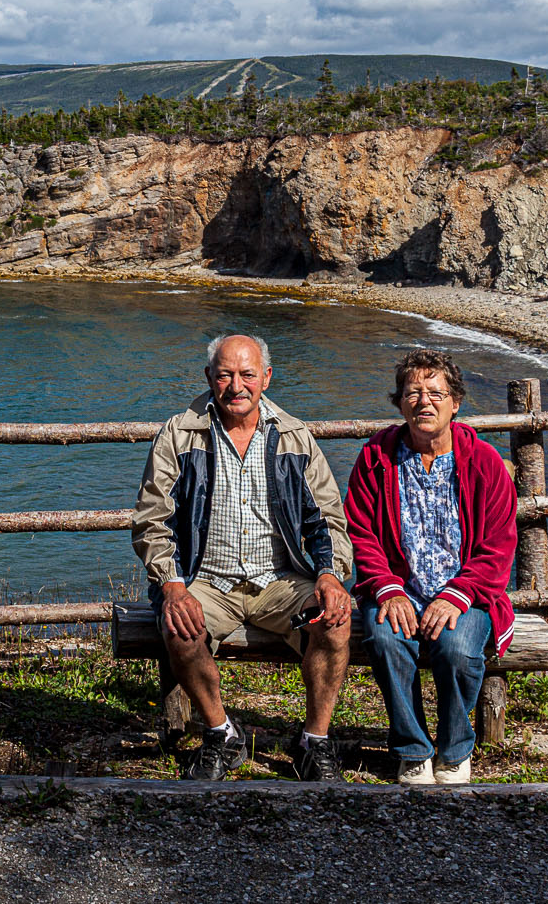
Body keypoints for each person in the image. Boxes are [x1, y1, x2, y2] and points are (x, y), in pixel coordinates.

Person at [131, 334, 354, 782]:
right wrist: (173, 586)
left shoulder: (294, 436)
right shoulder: (180, 433)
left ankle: (314, 741)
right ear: (209, 378)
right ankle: (220, 734)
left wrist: (330, 575)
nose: (237, 385)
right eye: (226, 374)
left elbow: (327, 519)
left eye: (247, 374)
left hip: (281, 580)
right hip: (205, 579)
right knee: (179, 626)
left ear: (266, 378)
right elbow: (152, 519)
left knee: (336, 619)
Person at [344, 350, 518, 786]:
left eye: (435, 393)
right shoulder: (376, 458)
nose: (424, 402)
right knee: (384, 637)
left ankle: (455, 748)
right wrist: (386, 588)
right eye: (413, 393)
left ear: (455, 402)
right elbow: (359, 532)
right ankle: (413, 750)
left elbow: (499, 545)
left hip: (468, 594)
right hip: (399, 591)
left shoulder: (485, 463)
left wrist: (457, 595)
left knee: (457, 649)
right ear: (399, 402)